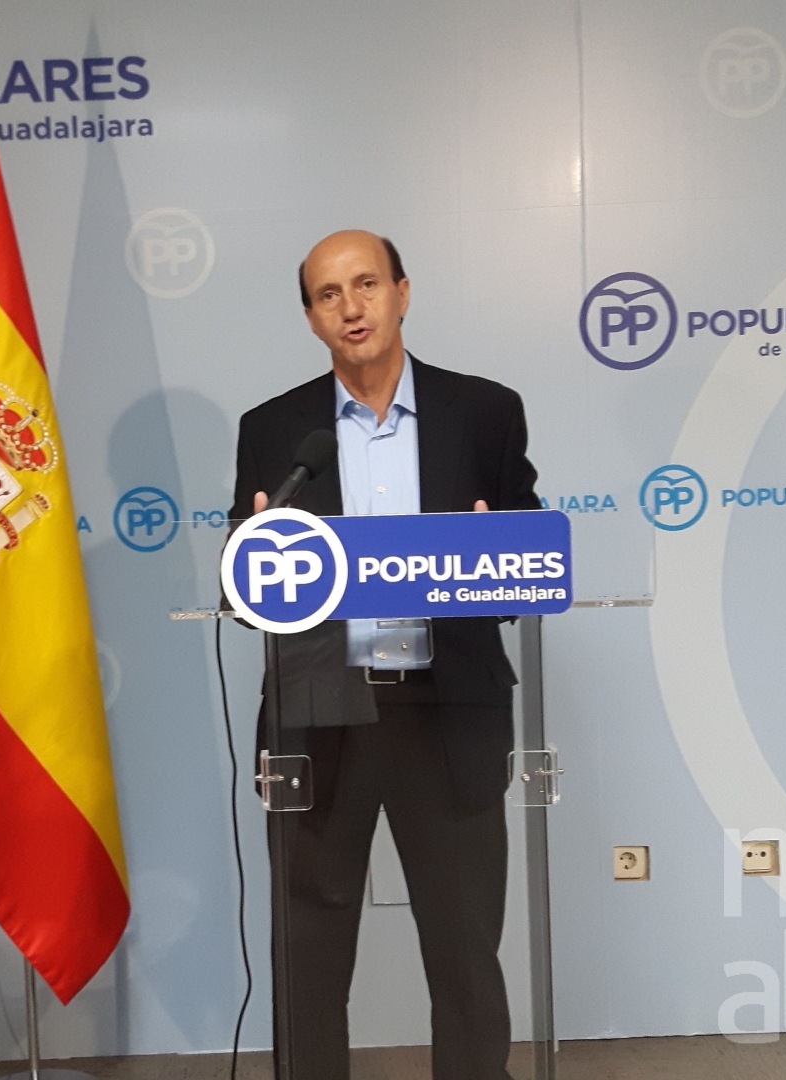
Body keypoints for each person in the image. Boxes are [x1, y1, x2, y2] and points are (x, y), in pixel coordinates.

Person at [228, 230, 539, 1080]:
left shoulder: (483, 411)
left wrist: (494, 558)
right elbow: (244, 582)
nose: (351, 307)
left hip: (448, 707)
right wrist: (255, 556)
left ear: (403, 292)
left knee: (465, 945)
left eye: (367, 284)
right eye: (329, 294)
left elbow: (527, 559)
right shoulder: (275, 428)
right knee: (309, 949)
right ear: (310, 318)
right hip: (321, 713)